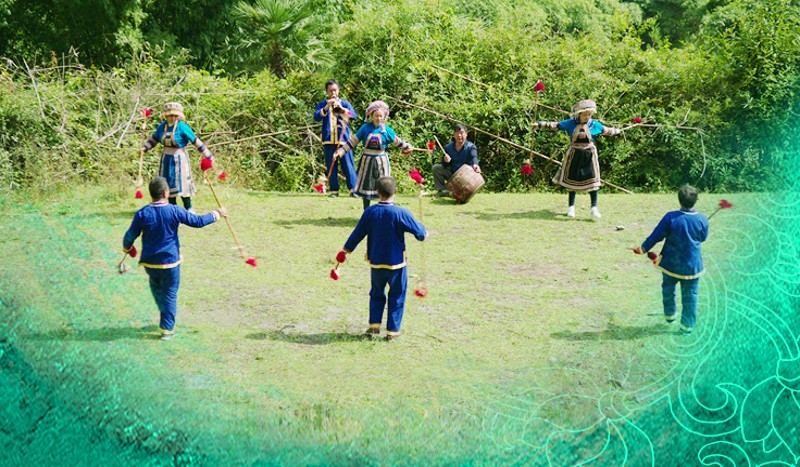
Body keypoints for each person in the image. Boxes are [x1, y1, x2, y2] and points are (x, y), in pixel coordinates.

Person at [123, 177, 228, 340]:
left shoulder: (142, 213)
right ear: (166, 193)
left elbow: (129, 236)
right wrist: (217, 213)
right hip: (170, 263)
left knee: (158, 290)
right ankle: (167, 328)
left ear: (151, 194)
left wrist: (128, 249)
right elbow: (198, 221)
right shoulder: (174, 210)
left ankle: (165, 315)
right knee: (170, 293)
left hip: (150, 263)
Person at [335, 176, 426, 340]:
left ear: (377, 192)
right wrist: (423, 230)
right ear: (395, 191)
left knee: (376, 293)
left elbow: (357, 234)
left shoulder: (370, 212)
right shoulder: (401, 213)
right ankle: (392, 331)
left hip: (376, 262)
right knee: (397, 295)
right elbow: (420, 234)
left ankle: (374, 326)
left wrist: (346, 251)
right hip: (396, 264)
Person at [633, 185, 709, 335]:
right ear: (696, 200)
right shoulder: (702, 219)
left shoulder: (670, 217)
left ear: (679, 199)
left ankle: (670, 315)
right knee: (690, 296)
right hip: (692, 266)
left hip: (671, 265)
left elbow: (656, 236)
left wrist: (643, 248)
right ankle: (687, 327)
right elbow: (703, 237)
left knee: (668, 290)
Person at [533, 99, 622, 219]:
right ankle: (571, 207)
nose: (587, 117)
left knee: (593, 181)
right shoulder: (570, 123)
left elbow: (606, 130)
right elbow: (556, 125)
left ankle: (594, 208)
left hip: (589, 155)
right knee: (572, 181)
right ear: (579, 114)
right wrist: (539, 124)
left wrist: (617, 131)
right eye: (585, 114)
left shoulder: (594, 124)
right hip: (574, 154)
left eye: (589, 115)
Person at [335, 100, 414, 210]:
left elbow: (397, 141)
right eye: (376, 116)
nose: (378, 118)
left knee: (384, 185)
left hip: (381, 162)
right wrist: (341, 151)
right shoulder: (365, 128)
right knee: (366, 185)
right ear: (371, 116)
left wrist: (406, 146)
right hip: (367, 161)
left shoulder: (387, 131)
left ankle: (385, 209)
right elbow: (353, 141)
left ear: (384, 117)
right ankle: (366, 210)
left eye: (381, 116)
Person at [140, 102, 214, 213]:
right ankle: (172, 208)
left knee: (183, 183)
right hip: (166, 159)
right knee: (167, 183)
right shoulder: (162, 127)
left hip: (180, 159)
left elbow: (195, 140)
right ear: (166, 115)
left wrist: (208, 154)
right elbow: (154, 139)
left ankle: (188, 208)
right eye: (170, 115)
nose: (172, 118)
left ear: (178, 116)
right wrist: (145, 148)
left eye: (175, 115)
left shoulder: (182, 127)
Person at [313, 79, 359, 198]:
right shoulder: (322, 104)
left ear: (338, 90)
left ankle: (353, 189)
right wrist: (327, 107)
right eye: (330, 91)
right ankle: (334, 190)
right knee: (331, 165)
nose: (333, 93)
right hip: (328, 140)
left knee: (348, 165)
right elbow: (316, 117)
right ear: (326, 92)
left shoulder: (345, 103)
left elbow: (354, 116)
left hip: (344, 140)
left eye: (335, 90)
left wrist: (342, 109)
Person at [432, 123, 481, 196]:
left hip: (466, 177)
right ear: (454, 135)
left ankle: (457, 191)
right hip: (453, 175)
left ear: (466, 134)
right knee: (436, 168)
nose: (459, 135)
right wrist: (446, 161)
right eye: (457, 133)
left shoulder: (471, 147)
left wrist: (476, 164)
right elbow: (444, 165)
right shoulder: (449, 147)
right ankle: (442, 190)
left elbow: (474, 157)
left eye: (461, 133)